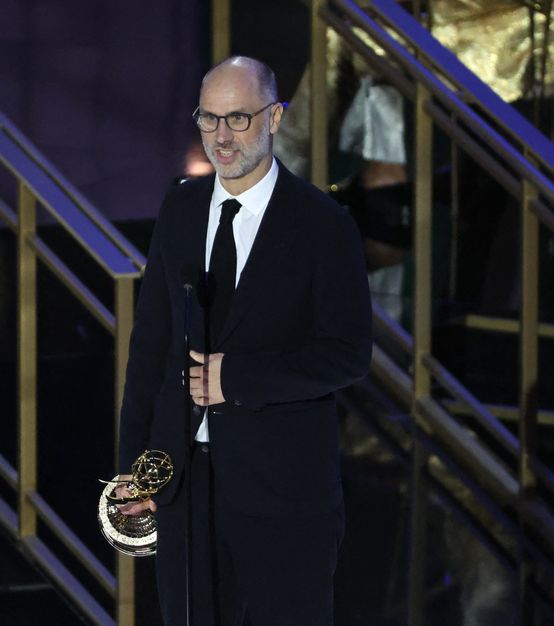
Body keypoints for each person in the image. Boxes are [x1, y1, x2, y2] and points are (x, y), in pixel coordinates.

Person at [115, 56, 372, 626]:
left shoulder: (322, 223)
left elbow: (349, 353)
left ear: (276, 117)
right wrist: (135, 465)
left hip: (285, 494)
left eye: (238, 119)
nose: (221, 138)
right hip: (185, 486)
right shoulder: (180, 207)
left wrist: (236, 379)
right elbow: (150, 346)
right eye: (209, 120)